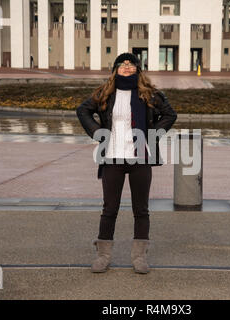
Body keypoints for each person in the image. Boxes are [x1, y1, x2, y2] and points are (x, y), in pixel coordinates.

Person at [76, 52, 177, 274]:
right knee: (109, 209)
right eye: (123, 64)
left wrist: (153, 135)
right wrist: (97, 133)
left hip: (140, 156)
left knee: (141, 209)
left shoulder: (148, 94)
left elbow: (170, 114)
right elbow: (82, 110)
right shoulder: (105, 93)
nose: (127, 67)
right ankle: (103, 256)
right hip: (112, 156)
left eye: (132, 65)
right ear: (115, 69)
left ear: (138, 70)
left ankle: (139, 257)